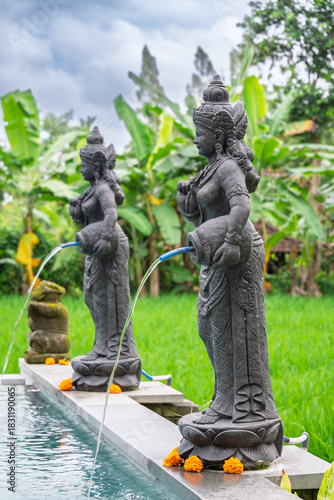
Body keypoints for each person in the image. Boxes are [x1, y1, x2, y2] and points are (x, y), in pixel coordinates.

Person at [177, 75, 279, 425]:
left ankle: (246, 410)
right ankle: (223, 399)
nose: (195, 138)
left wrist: (234, 240)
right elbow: (203, 213)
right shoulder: (209, 169)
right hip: (216, 251)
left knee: (237, 328)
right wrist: (187, 200)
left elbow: (241, 207)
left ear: (218, 136)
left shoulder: (229, 168)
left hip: (237, 250)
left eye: (200, 133)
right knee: (210, 326)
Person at [69, 126, 140, 366]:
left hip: (110, 245)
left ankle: (118, 352)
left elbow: (111, 214)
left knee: (113, 298)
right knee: (93, 296)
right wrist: (75, 212)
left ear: (96, 167)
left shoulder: (102, 189)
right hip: (96, 247)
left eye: (84, 164)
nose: (81, 168)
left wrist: (105, 237)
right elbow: (87, 220)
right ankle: (101, 346)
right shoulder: (89, 190)